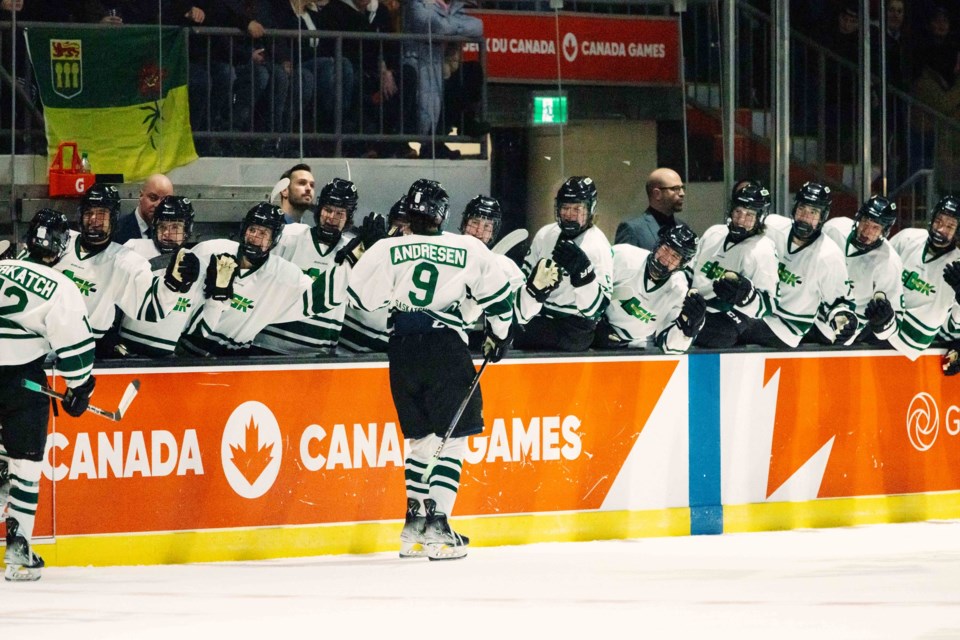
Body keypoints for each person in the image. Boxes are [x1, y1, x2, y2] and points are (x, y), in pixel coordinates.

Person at [347, 178, 513, 560]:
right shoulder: (467, 247)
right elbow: (500, 302)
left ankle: (413, 529)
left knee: (420, 441)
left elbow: (360, 298)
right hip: (444, 348)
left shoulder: (387, 248)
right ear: (443, 215)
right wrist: (499, 335)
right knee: (451, 441)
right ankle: (439, 529)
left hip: (402, 350)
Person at [0, 209, 95, 581]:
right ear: (60, 246)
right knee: (26, 465)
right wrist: (79, 387)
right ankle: (18, 550)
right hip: (22, 381)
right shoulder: (59, 285)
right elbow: (75, 346)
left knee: (6, 461)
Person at [51, 183, 199, 358]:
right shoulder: (61, 241)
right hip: (44, 340)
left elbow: (153, 309)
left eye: (102, 214)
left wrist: (172, 286)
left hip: (89, 348)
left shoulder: (126, 259)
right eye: (89, 213)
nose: (94, 220)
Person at [176, 202, 342, 357]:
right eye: (252, 230)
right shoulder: (210, 250)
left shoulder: (284, 274)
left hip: (234, 360)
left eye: (263, 233)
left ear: (275, 239)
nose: (255, 237)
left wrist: (352, 260)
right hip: (184, 351)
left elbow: (322, 297)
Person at [254, 178, 385, 355]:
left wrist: (376, 254)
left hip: (318, 355)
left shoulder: (353, 252)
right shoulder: (288, 237)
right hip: (270, 346)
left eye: (339, 213)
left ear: (348, 217)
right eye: (328, 210)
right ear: (319, 209)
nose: (331, 218)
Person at [737, 182, 856, 349]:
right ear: (794, 209)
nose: (805, 217)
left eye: (813, 212)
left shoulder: (829, 256)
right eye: (802, 209)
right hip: (757, 309)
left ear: (823, 216)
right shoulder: (771, 226)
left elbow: (840, 303)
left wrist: (843, 320)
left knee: (726, 330)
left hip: (785, 326)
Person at [514, 176, 612, 352]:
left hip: (574, 327)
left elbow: (595, 311)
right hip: (541, 317)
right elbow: (522, 287)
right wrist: (534, 290)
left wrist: (584, 276)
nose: (570, 215)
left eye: (577, 209)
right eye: (565, 208)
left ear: (591, 209)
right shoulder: (545, 235)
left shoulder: (599, 247)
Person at [690, 181, 779, 348]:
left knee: (718, 335)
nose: (740, 220)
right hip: (697, 305)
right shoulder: (714, 233)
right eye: (738, 211)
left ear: (760, 218)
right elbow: (689, 269)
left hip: (730, 315)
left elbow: (769, 305)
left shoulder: (762, 250)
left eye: (749, 215)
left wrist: (746, 297)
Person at [595, 223, 707, 353]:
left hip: (633, 347)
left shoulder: (678, 291)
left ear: (682, 264)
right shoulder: (623, 256)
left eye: (675, 256)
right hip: (594, 329)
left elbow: (671, 347)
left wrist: (689, 328)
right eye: (665, 249)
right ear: (658, 245)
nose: (665, 258)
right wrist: (594, 320)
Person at [119, 196, 201, 357]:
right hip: (124, 349)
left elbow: (203, 323)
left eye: (175, 227)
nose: (167, 234)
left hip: (167, 357)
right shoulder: (133, 248)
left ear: (187, 230)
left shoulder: (197, 264)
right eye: (162, 226)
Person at [817, 195, 904, 345]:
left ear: (885, 230)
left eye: (875, 227)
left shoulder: (889, 263)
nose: (866, 231)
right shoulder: (834, 229)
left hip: (844, 327)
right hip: (812, 309)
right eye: (865, 222)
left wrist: (883, 321)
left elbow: (895, 326)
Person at [883, 195, 960, 360]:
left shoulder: (957, 265)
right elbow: (879, 268)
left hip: (913, 346)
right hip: (880, 330)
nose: (941, 229)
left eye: (950, 226)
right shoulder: (908, 238)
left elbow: (954, 327)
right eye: (939, 221)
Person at [402, 0, 482, 158]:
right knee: (426, 103)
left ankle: (460, 125)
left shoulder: (453, 6)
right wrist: (456, 26)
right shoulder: (416, 3)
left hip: (441, 66)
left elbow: (477, 26)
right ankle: (429, 145)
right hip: (418, 63)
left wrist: (447, 25)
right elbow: (432, 26)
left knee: (472, 70)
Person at [340, 195, 410, 354]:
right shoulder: (365, 243)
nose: (402, 232)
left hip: (384, 356)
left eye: (408, 227)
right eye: (398, 225)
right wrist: (368, 254)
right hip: (343, 350)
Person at [456, 195, 525, 348]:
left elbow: (524, 313)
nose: (479, 231)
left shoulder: (503, 265)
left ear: (494, 230)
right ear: (464, 223)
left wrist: (536, 291)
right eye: (475, 222)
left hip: (475, 341)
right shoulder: (448, 254)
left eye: (487, 226)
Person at [614, 167, 686, 251]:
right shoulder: (632, 230)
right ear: (657, 194)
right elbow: (623, 262)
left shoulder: (683, 227)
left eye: (682, 188)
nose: (682, 193)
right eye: (675, 189)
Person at [113, 174, 174, 244]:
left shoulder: (174, 234)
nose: (158, 205)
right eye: (153, 198)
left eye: (165, 200)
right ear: (141, 195)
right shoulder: (116, 230)